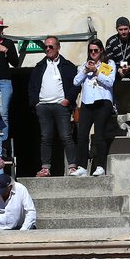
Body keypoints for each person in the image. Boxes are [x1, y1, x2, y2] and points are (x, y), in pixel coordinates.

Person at [28, 36, 79, 177]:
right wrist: (36, 104)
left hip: (61, 106)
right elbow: (32, 87)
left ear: (58, 47)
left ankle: (72, 167)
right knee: (46, 137)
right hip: (43, 106)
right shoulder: (39, 66)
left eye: (51, 46)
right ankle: (45, 168)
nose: (48, 49)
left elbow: (76, 85)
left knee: (66, 136)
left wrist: (68, 100)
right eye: (46, 47)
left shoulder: (68, 66)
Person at [72, 39, 117, 177]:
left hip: (103, 101)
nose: (93, 53)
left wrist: (96, 71)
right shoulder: (83, 66)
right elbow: (75, 82)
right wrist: (86, 70)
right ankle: (82, 166)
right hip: (87, 102)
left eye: (95, 51)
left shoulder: (108, 64)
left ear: (101, 50)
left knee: (99, 134)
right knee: (82, 135)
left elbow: (110, 82)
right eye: (90, 51)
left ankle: (100, 166)